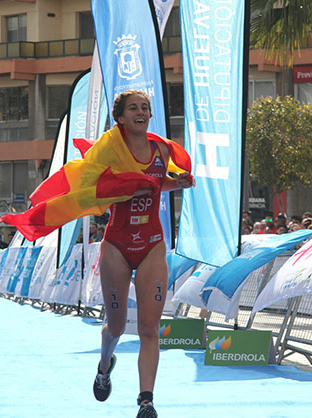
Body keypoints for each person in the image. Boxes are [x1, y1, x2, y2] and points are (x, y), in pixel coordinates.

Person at [89, 90, 192, 418]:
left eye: (145, 107)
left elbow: (157, 184)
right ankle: (105, 366)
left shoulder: (161, 148)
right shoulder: (108, 150)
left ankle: (146, 401)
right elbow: (94, 190)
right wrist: (131, 187)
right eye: (133, 108)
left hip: (151, 245)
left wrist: (179, 183)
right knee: (117, 327)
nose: (141, 112)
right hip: (117, 246)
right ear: (120, 117)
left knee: (150, 327)